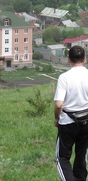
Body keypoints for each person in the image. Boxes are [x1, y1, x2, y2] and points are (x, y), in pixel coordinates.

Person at [54, 45, 88, 181]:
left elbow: (58, 104)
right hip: (86, 121)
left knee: (62, 157)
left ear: (69, 59)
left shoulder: (64, 77)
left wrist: (56, 118)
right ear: (84, 58)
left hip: (68, 121)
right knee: (81, 154)